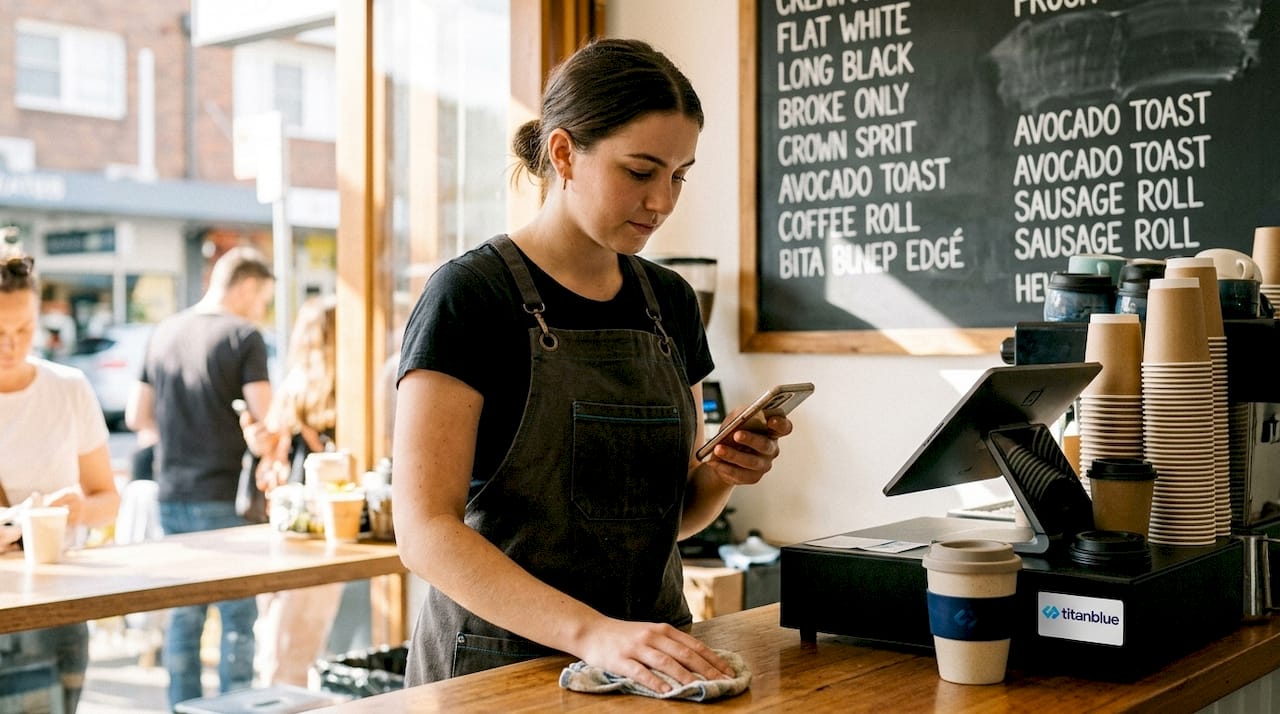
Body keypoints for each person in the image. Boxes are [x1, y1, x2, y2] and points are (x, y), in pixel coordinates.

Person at [392, 38, 794, 692]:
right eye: (640, 171)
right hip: (498, 673)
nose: (662, 201)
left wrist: (721, 474)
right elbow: (424, 532)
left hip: (653, 664)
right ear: (562, 153)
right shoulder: (470, 297)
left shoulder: (670, 303)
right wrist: (595, 634)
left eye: (679, 175)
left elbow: (673, 515)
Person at [125, 245, 274, 706]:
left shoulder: (163, 331)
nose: (262, 308)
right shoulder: (244, 336)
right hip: (225, 497)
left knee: (185, 617)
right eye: (264, 297)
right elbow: (265, 423)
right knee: (236, 619)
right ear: (246, 286)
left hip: (172, 493)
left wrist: (177, 440)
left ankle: (181, 707)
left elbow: (137, 416)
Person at [0, 252, 120, 713]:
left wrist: (81, 509)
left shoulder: (69, 389)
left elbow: (108, 498)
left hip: (58, 608)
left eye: (24, 330)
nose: (11, 345)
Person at [240, 294, 344, 687]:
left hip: (285, 525)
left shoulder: (291, 389)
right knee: (296, 649)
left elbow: (273, 464)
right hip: (325, 530)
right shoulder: (347, 394)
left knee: (275, 640)